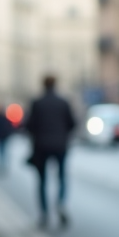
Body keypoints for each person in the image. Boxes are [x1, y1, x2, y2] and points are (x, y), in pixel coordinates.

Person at [25, 75, 77, 228]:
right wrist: (63, 135)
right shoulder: (63, 102)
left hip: (41, 147)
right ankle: (60, 203)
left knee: (42, 181)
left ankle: (44, 213)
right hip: (60, 146)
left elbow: (29, 126)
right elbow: (72, 123)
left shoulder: (37, 103)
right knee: (61, 178)